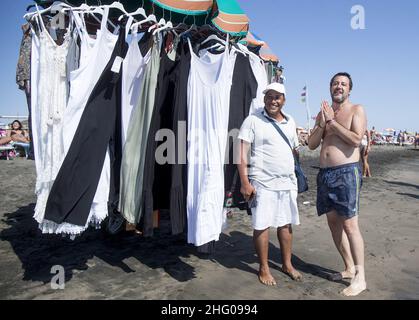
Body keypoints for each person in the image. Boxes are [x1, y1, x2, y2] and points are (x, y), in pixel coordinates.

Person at [307, 72, 367, 296]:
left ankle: (361, 277)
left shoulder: (356, 110)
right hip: (325, 174)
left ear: (349, 90)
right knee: (333, 223)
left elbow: (355, 139)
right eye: (335, 83)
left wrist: (332, 121)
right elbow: (312, 144)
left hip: (346, 173)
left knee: (350, 225)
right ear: (330, 87)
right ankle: (349, 268)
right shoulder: (323, 113)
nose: (339, 87)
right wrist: (322, 123)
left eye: (343, 84)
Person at [237, 82, 302, 286]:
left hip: (287, 183)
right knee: (262, 224)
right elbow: (241, 154)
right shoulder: (252, 120)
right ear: (264, 98)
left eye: (278, 97)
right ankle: (264, 267)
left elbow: (295, 150)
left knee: (285, 223)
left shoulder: (291, 121)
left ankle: (287, 264)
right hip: (262, 182)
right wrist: (245, 182)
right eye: (270, 96)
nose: (273, 100)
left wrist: (294, 171)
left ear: (284, 100)